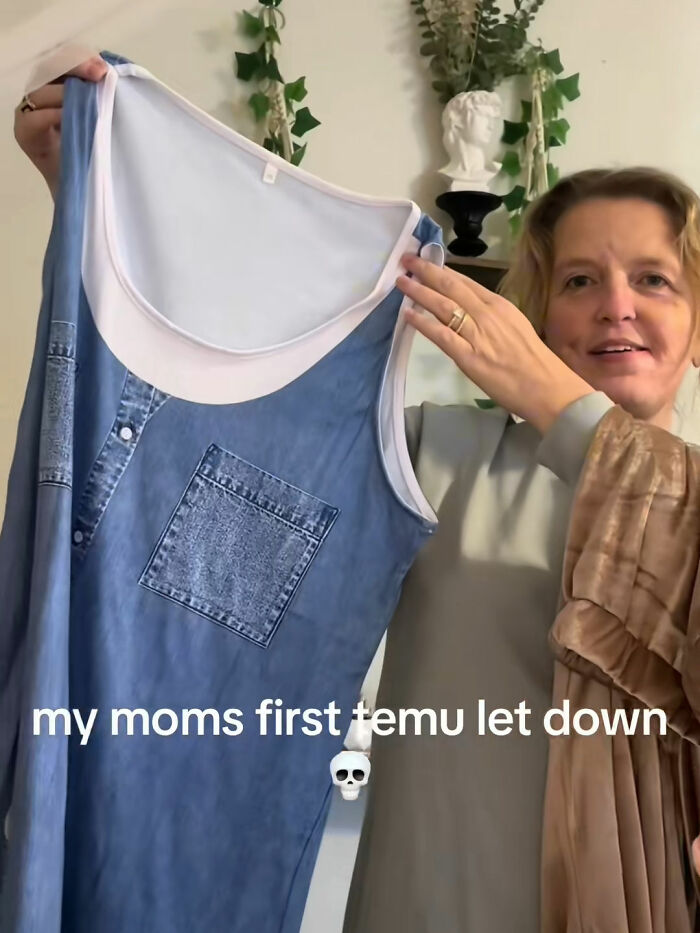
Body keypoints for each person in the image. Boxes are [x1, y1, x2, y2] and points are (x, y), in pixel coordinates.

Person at [13, 59, 700, 931]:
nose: (615, 306)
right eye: (579, 280)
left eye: (653, 279)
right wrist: (97, 199)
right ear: (539, 312)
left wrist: (567, 413)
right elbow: (191, 459)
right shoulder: (434, 456)